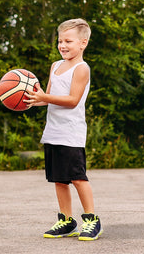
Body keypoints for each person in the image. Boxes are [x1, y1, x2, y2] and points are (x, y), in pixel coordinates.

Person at [24, 18, 103, 241]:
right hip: (53, 131)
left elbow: (72, 100)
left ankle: (91, 220)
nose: (62, 45)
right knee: (59, 179)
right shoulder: (55, 66)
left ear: (83, 43)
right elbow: (49, 97)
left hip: (71, 132)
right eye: (60, 41)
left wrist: (45, 96)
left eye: (68, 41)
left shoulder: (81, 68)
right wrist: (32, 100)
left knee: (78, 178)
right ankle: (67, 221)